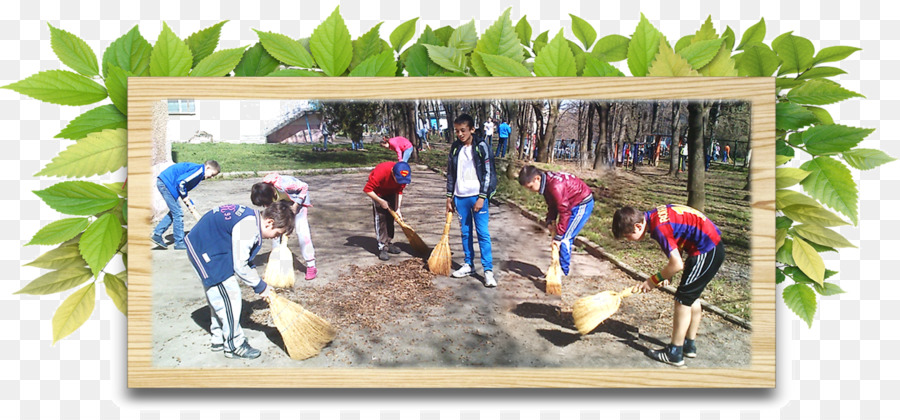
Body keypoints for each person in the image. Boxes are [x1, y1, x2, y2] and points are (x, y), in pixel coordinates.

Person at [612, 204, 725, 367]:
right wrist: (668, 274)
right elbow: (677, 238)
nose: (629, 241)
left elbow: (677, 264)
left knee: (682, 300)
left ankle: (675, 352)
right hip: (708, 247)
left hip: (706, 250)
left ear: (637, 226)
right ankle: (689, 345)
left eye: (627, 236)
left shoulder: (659, 229)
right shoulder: (654, 216)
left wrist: (653, 280)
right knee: (691, 297)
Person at [184, 201, 294, 359]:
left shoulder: (252, 219)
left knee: (220, 297)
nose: (274, 238)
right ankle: (234, 345)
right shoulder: (249, 227)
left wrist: (257, 281)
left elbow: (245, 258)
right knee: (230, 295)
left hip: (211, 247)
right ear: (270, 222)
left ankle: (218, 338)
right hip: (205, 251)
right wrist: (261, 287)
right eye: (277, 234)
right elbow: (240, 266)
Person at [446, 113, 498, 288]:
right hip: (460, 197)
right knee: (465, 232)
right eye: (457, 131)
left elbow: (488, 172)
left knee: (482, 233)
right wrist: (449, 196)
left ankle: (488, 271)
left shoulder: (481, 146)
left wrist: (482, 197)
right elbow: (451, 174)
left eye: (463, 130)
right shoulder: (455, 148)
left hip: (477, 196)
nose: (460, 134)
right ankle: (468, 264)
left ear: (472, 129)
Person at [518, 165, 594, 276]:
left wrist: (558, 236)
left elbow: (564, 212)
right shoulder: (546, 182)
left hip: (581, 204)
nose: (530, 191)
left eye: (530, 187)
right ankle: (556, 268)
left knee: (565, 239)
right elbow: (553, 204)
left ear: (537, 179)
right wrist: (550, 220)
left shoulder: (555, 186)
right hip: (570, 204)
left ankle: (562, 272)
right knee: (561, 236)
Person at [250, 173, 318, 280]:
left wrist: (296, 205)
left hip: (297, 202)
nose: (265, 206)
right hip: (281, 204)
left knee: (302, 233)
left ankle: (311, 265)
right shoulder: (265, 191)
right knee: (276, 233)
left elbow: (304, 186)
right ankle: (276, 266)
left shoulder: (286, 184)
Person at [151, 160, 220, 250]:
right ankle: (179, 242)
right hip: (167, 183)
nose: (211, 177)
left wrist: (190, 204)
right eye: (212, 174)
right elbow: (181, 183)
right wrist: (185, 197)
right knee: (178, 213)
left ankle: (157, 234)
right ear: (207, 168)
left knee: (174, 212)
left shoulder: (198, 172)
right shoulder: (199, 171)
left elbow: (183, 187)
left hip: (167, 183)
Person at [363, 161, 412, 261]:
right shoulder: (381, 172)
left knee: (391, 219)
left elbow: (399, 191)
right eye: (398, 180)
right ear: (393, 173)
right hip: (378, 193)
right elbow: (368, 190)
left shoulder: (403, 176)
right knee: (381, 219)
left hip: (391, 192)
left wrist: (398, 209)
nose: (400, 182)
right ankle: (382, 247)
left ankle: (388, 243)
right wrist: (380, 201)